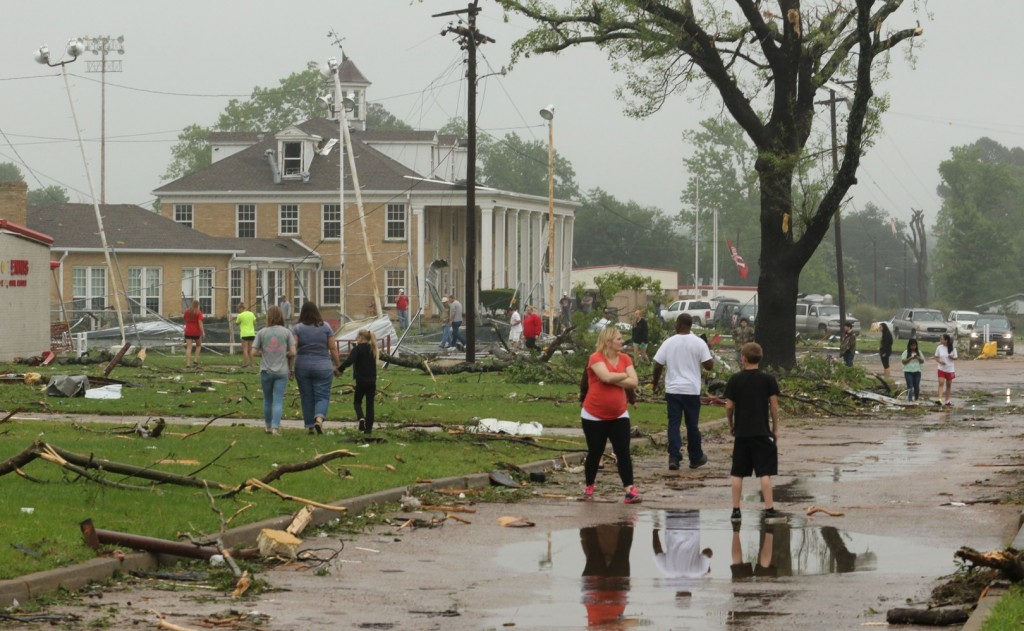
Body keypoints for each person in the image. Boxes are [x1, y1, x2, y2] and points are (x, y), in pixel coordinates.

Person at [580, 325, 641, 504]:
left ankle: (629, 490)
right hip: (593, 416)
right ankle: (589, 486)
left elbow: (634, 382)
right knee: (595, 452)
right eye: (619, 339)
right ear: (608, 342)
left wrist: (615, 376)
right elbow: (604, 377)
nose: (622, 342)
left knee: (623, 452)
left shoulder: (625, 358)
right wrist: (623, 376)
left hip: (619, 414)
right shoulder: (595, 357)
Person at [724, 342, 782, 524]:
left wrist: (731, 423)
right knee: (764, 472)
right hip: (761, 432)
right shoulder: (768, 379)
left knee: (738, 473)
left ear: (743, 358)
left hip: (742, 433)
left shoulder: (735, 379)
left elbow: (729, 405)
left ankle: (735, 510)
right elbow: (774, 405)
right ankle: (769, 509)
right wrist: (775, 427)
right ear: (760, 358)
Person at [652, 313, 714, 471]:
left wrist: (655, 382)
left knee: (674, 423)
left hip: (673, 389)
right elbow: (709, 366)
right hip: (691, 390)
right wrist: (707, 350)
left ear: (679, 324)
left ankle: (674, 457)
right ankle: (695, 457)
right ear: (691, 325)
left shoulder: (669, 342)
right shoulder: (699, 343)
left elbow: (658, 364)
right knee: (692, 425)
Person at [292, 301, 341, 435]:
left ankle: (310, 427)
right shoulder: (326, 327)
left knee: (306, 396)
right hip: (323, 366)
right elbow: (332, 348)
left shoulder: (297, 328)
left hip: (302, 366)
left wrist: (290, 368)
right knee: (323, 395)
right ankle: (319, 418)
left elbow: (293, 349)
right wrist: (338, 366)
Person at [580, 522, 634, 627]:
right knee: (595, 549)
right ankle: (627, 519)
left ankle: (627, 520)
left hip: (607, 593)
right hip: (602, 594)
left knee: (621, 551)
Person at [253, 305, 295, 435]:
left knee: (267, 399)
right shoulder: (287, 332)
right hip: (282, 372)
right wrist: (285, 355)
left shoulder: (262, 332)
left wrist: (264, 353)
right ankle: (276, 427)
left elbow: (253, 351)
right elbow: (293, 352)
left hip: (266, 371)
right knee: (278, 400)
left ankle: (267, 426)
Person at [339, 328, 379, 435]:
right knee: (370, 405)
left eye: (357, 337)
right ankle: (368, 430)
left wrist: (340, 369)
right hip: (372, 381)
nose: (356, 339)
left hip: (361, 381)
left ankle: (361, 418)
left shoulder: (357, 349)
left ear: (361, 338)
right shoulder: (373, 348)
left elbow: (349, 361)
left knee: (357, 402)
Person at [652, 510, 713, 578]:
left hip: (692, 524)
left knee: (693, 501)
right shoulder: (667, 572)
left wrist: (707, 564)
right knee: (672, 502)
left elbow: (708, 551)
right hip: (672, 524)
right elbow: (657, 550)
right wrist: (655, 531)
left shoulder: (698, 572)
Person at [934, 333, 957, 406]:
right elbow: (936, 357)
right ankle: (939, 399)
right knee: (941, 382)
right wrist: (940, 361)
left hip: (950, 369)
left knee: (948, 385)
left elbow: (956, 357)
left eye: (942, 339)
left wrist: (952, 357)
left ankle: (947, 400)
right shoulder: (939, 347)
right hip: (941, 368)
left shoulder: (953, 348)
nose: (940, 340)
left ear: (946, 340)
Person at [183, 299, 205, 370]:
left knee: (189, 347)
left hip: (188, 331)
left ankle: (188, 364)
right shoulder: (198, 313)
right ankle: (195, 360)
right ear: (198, 306)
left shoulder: (186, 311)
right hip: (196, 332)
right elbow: (200, 323)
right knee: (198, 345)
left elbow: (185, 320)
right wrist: (203, 331)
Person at [235, 301, 257, 368]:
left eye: (238, 309)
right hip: (252, 334)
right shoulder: (251, 314)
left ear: (240, 308)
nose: (238, 311)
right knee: (251, 350)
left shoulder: (240, 315)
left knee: (245, 350)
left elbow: (237, 323)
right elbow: (254, 323)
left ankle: (245, 364)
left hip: (244, 334)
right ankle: (252, 364)